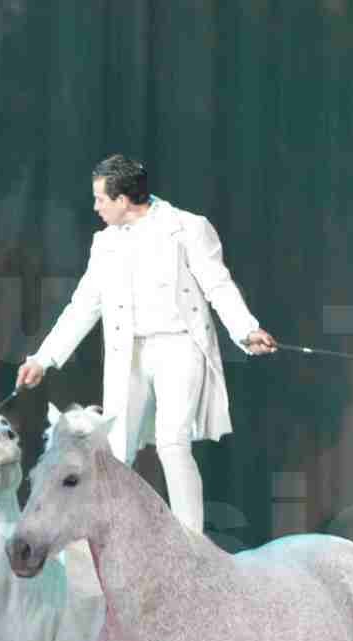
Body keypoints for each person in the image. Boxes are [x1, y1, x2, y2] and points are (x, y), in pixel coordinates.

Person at [17, 154, 276, 533]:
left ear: (123, 199)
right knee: (117, 449)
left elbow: (217, 284)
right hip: (129, 352)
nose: (95, 207)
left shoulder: (187, 228)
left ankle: (191, 539)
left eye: (100, 199)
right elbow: (84, 305)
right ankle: (112, 535)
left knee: (173, 442)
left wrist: (245, 330)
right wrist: (44, 358)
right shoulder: (105, 243)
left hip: (179, 347)